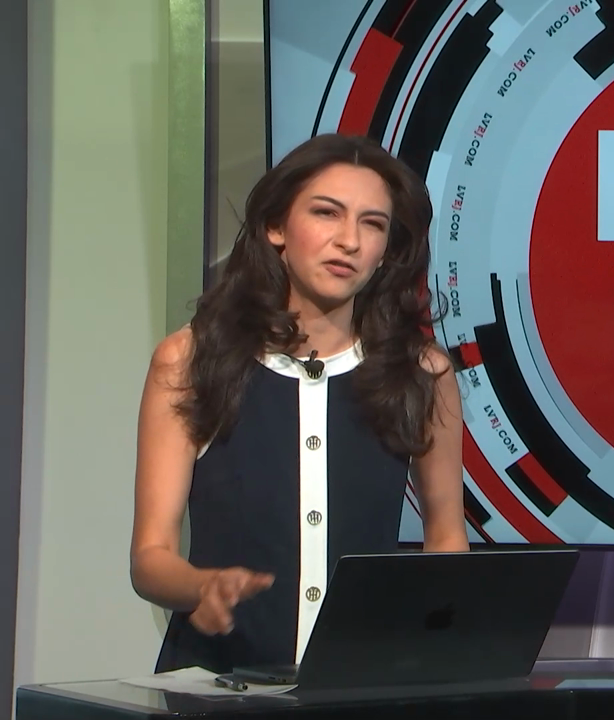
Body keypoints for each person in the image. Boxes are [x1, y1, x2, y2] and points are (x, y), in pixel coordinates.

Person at [129, 133, 469, 674]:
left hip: (359, 687)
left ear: (387, 251)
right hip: (216, 684)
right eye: (327, 213)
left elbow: (446, 538)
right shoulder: (190, 361)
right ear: (276, 227)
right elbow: (150, 557)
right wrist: (201, 587)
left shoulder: (422, 373)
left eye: (372, 224)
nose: (349, 241)